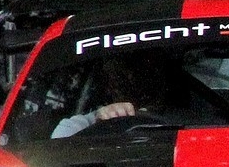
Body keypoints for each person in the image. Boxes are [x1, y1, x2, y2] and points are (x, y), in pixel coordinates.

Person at [50, 52, 182, 138]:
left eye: (145, 75)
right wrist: (100, 121)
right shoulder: (80, 126)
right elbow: (56, 152)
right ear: (107, 86)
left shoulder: (197, 117)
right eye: (121, 77)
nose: (132, 80)